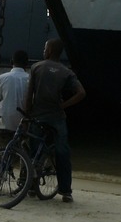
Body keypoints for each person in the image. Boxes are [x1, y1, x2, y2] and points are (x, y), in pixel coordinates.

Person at [24, 37, 86, 203]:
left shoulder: (36, 67)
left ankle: (29, 185)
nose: (44, 51)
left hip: (38, 116)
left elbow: (29, 95)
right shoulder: (67, 72)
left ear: (49, 50)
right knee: (62, 152)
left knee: (33, 151)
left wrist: (26, 114)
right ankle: (66, 192)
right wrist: (63, 105)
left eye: (45, 48)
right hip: (57, 117)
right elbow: (81, 93)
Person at [0, 49, 29, 131]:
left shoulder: (2, 78)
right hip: (24, 125)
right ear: (26, 64)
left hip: (5, 125)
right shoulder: (30, 79)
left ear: (11, 62)